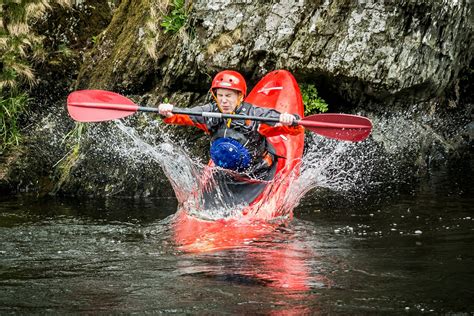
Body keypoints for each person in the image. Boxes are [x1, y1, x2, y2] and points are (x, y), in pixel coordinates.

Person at [158, 70, 303, 179]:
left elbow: (285, 127)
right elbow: (184, 115)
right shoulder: (209, 113)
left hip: (258, 173)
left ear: (239, 96)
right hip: (225, 172)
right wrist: (169, 112)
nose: (224, 101)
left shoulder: (253, 115)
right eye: (220, 96)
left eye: (228, 96)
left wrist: (290, 121)